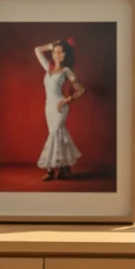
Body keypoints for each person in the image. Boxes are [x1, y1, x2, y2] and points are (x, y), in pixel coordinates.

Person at [33, 38, 85, 181]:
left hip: (60, 107)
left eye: (59, 52)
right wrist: (51, 45)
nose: (55, 55)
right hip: (48, 107)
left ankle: (50, 170)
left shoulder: (67, 71)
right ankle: (64, 167)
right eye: (54, 52)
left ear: (64, 56)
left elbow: (81, 89)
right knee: (58, 135)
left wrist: (67, 100)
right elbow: (37, 50)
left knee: (55, 135)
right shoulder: (48, 68)